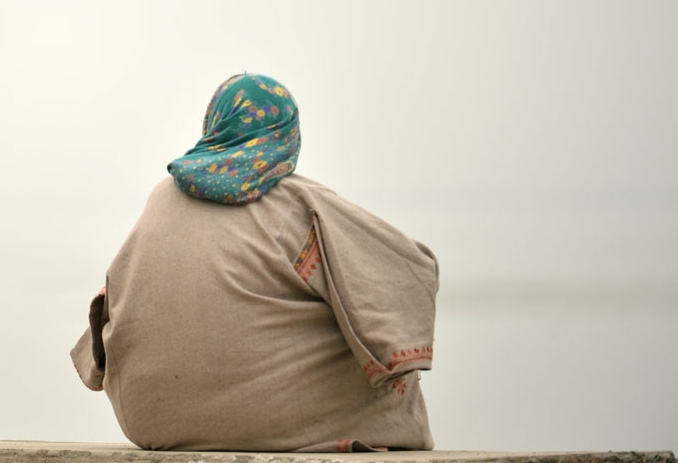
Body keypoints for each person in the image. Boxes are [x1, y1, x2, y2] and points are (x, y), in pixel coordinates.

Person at [70, 73, 439, 452]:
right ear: (288, 135)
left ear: (213, 124)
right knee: (393, 380)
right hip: (261, 421)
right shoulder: (300, 202)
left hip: (150, 423)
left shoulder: (162, 198)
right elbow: (409, 273)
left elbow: (113, 299)